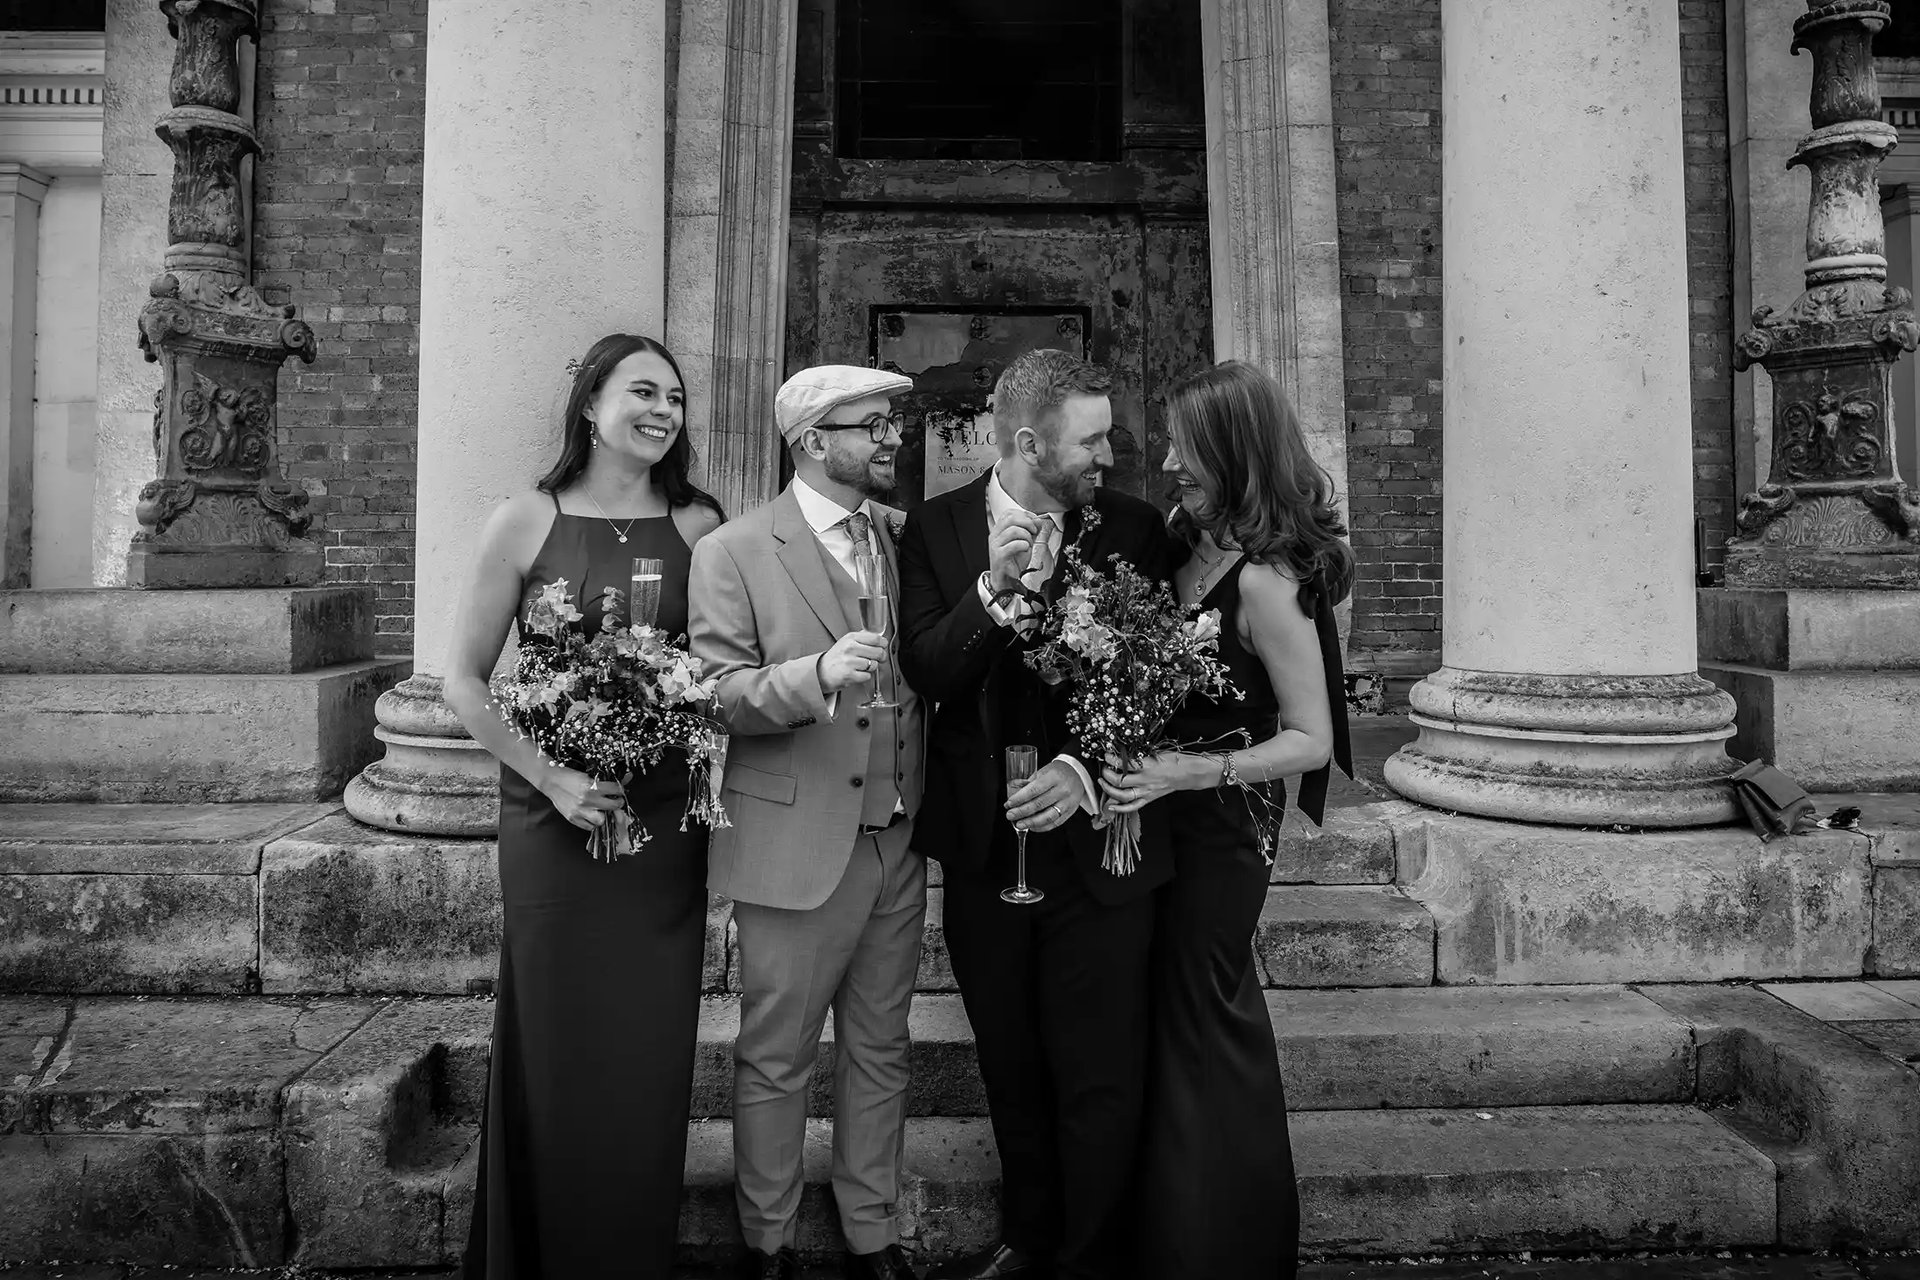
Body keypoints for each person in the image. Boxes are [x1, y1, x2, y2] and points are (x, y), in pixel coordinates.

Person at [442, 333, 727, 1279]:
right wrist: (555, 778)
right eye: (643, 391)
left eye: (676, 398)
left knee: (646, 1056)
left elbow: (723, 675)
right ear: (590, 404)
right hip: (553, 818)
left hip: (660, 831)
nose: (664, 411)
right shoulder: (525, 519)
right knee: (556, 1046)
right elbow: (464, 683)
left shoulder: (699, 526)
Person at [896, 349, 1182, 1280]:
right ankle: (1031, 1239)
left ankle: (1095, 1259)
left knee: (1099, 1067)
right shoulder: (933, 529)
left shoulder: (1136, 529)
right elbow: (930, 669)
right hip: (984, 850)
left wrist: (1081, 766)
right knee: (1010, 1063)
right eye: (1092, 438)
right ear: (1029, 441)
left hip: (1101, 844)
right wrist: (995, 591)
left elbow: (1161, 682)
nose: (1110, 453)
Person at [1101, 359, 1354, 1279]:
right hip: (1171, 812)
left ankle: (1230, 1248)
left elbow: (1312, 740)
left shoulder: (1267, 579)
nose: (1168, 459)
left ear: (1231, 452)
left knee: (1210, 1012)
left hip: (1226, 824)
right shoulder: (1185, 537)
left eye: (1185, 443)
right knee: (1173, 1015)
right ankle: (1173, 1231)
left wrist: (1185, 770)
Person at [687, 365, 929, 1280]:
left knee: (883, 1048)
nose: (890, 439)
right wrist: (814, 676)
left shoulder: (904, 539)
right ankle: (769, 1244)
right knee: (777, 1055)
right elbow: (710, 694)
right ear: (812, 443)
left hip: (897, 838)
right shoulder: (738, 549)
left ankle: (874, 1236)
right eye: (871, 426)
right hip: (793, 845)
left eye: (890, 423)